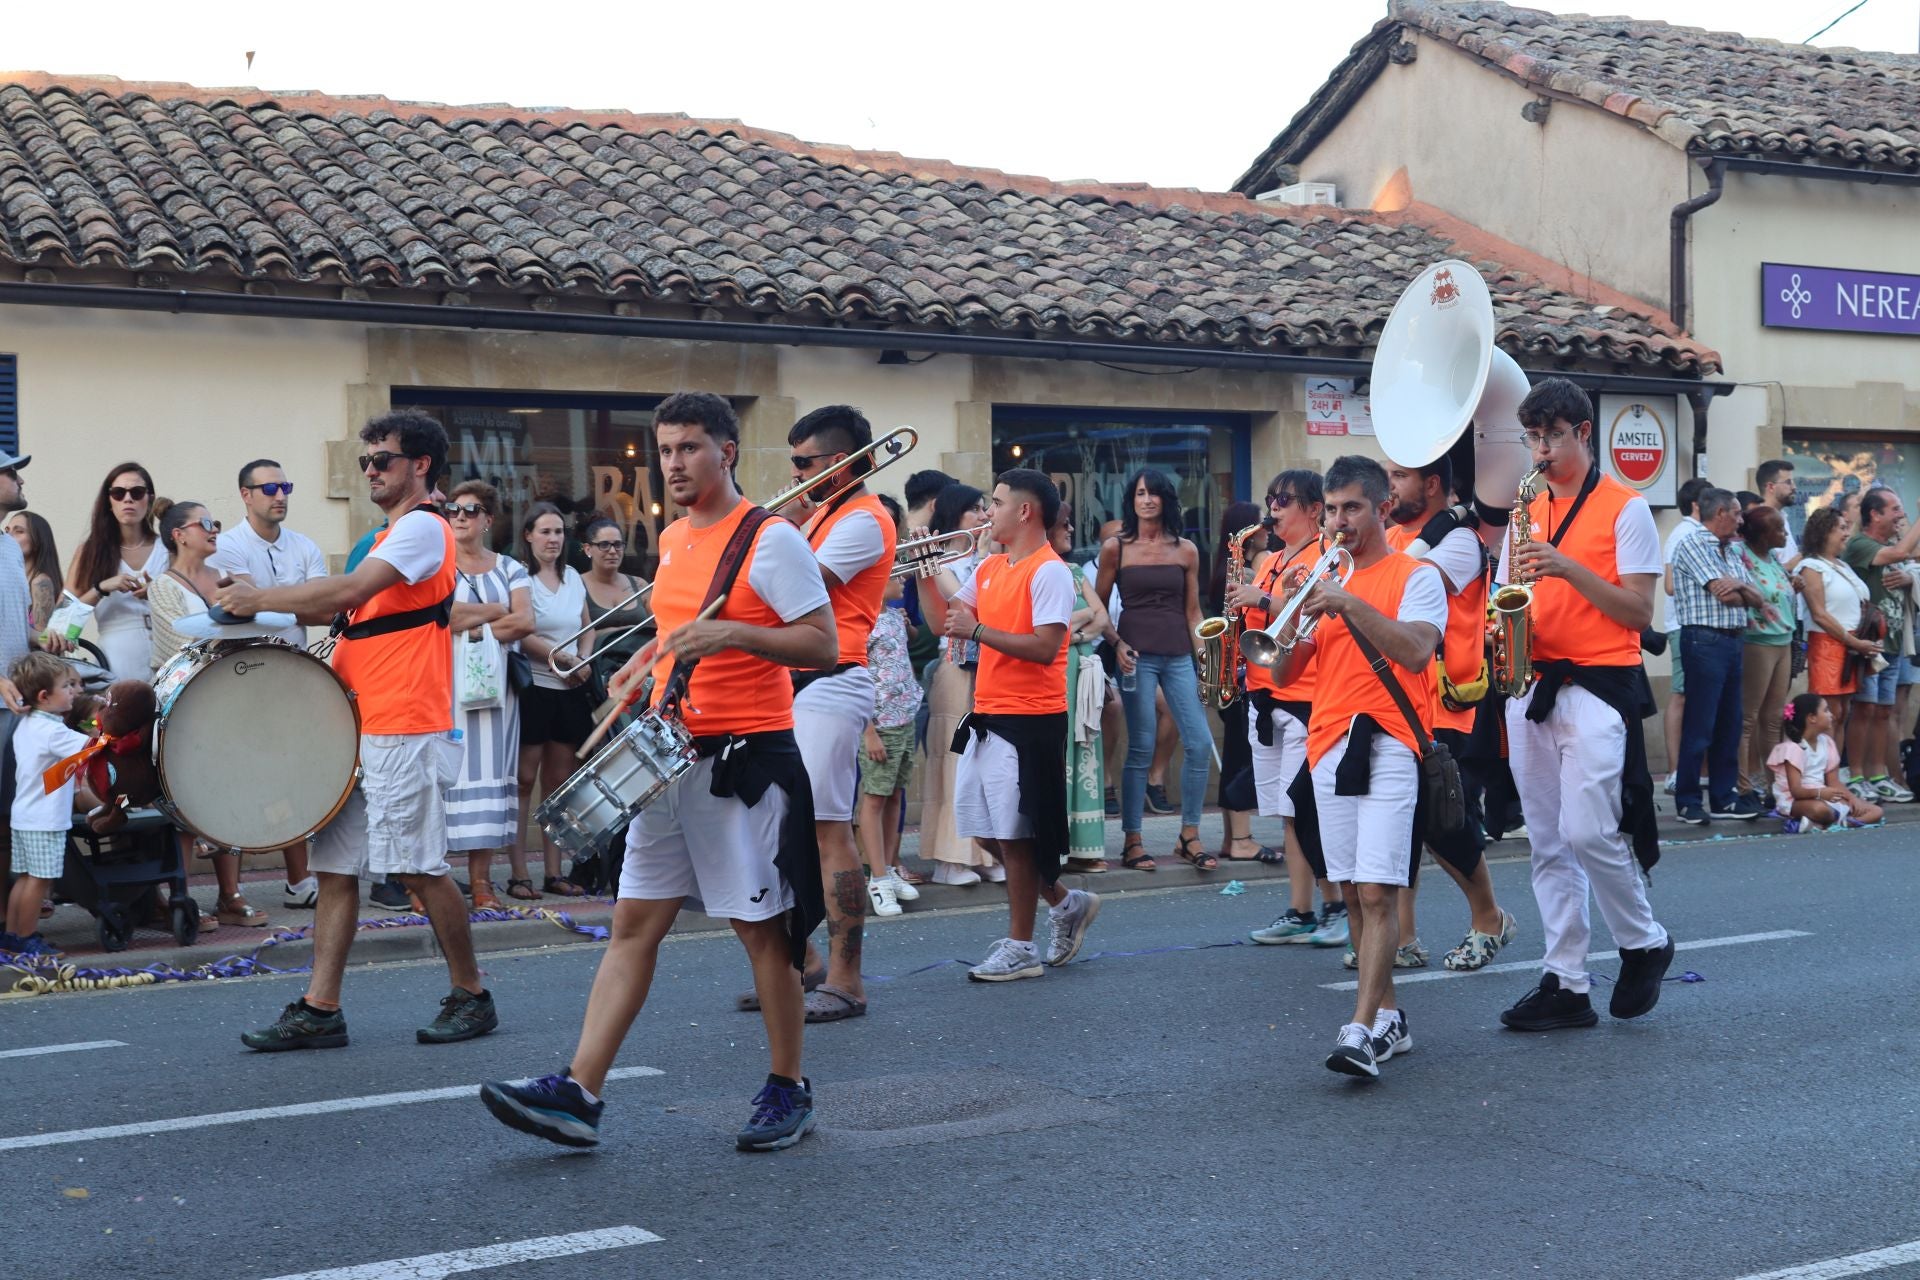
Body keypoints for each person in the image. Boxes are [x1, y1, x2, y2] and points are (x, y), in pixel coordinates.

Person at [480, 390, 833, 1152]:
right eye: (666, 449)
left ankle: (788, 1085)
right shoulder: (673, 538)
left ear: (726, 452)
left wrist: (732, 632)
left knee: (762, 933)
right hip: (669, 757)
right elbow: (680, 633)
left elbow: (822, 644)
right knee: (632, 923)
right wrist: (646, 660)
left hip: (745, 759)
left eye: (689, 448)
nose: (673, 463)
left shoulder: (770, 540)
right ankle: (579, 1091)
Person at [222, 409, 497, 1051]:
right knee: (336, 869)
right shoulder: (384, 534)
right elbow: (337, 603)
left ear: (421, 466)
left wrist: (258, 597)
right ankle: (321, 1009)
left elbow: (348, 589)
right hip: (358, 721)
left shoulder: (425, 529)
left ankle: (472, 994)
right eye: (366, 461)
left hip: (404, 720)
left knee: (419, 869)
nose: (370, 470)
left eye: (383, 460)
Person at [1494, 378, 1673, 1034]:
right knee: (1546, 842)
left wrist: (1566, 567)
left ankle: (1644, 941)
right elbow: (1507, 598)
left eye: (1553, 436)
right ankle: (1566, 981)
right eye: (1533, 437)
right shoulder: (1525, 508)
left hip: (1599, 686)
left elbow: (1638, 610)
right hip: (1532, 687)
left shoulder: (1626, 508)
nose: (1541, 450)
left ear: (1583, 434)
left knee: (1586, 831)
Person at [1260, 456, 1442, 1079]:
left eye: (1352, 508)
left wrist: (1345, 601)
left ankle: (1360, 1029)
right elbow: (1282, 674)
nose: (1339, 522)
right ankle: (1390, 1018)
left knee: (1377, 889)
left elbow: (1417, 651)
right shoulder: (1321, 578)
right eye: (1332, 510)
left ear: (1382, 509)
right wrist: (1291, 623)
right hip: (1328, 743)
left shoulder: (1414, 575)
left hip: (1390, 742)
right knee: (1356, 900)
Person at [923, 469, 1099, 982]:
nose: (987, 512)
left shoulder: (1049, 571)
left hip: (1030, 720)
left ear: (1024, 511)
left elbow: (1046, 647)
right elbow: (942, 623)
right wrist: (926, 573)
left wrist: (978, 630)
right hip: (990, 715)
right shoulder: (993, 566)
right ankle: (1065, 903)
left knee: (1017, 838)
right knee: (988, 834)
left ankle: (1021, 947)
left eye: (996, 503)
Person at [781, 405, 897, 1025]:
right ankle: (801, 965)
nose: (796, 476)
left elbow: (794, 587)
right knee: (774, 827)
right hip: (791, 679)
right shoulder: (823, 512)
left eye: (805, 464)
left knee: (831, 829)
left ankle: (848, 979)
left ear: (841, 462)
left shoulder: (864, 519)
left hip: (832, 679)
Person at [1384, 460, 1517, 972]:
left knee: (1443, 818)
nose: (1389, 486)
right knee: (1407, 819)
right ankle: (1402, 935)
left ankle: (1489, 917)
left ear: (1433, 484)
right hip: (1396, 699)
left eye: (1398, 476)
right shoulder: (1394, 536)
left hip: (1445, 702)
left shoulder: (1459, 542)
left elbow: (1400, 591)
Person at [206, 458, 329, 909]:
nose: (281, 495)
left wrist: (267, 601)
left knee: (290, 777)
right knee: (235, 777)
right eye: (270, 488)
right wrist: (295, 604)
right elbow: (239, 610)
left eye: (286, 486)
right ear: (245, 495)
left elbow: (326, 611)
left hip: (294, 676)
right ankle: (229, 892)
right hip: (243, 677)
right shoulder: (227, 548)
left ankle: (299, 881)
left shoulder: (305, 546)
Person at [147, 499, 271, 929]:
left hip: (231, 698)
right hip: (186, 702)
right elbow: (176, 647)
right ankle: (181, 897)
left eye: (215, 523)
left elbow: (254, 630)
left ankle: (230, 896)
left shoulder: (227, 580)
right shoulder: (163, 585)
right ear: (179, 535)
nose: (214, 529)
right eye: (205, 524)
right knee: (185, 802)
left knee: (229, 798)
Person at [1235, 471, 1345, 948]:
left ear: (1315, 509)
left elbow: (1319, 609)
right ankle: (1300, 910)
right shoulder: (1271, 559)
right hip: (1266, 699)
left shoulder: (1327, 558)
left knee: (1309, 809)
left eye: (1284, 500)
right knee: (1287, 813)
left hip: (1307, 698)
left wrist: (1260, 597)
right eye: (1270, 498)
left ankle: (1336, 906)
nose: (1273, 508)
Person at [1094, 468, 1215, 872]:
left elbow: (1193, 610)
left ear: (1166, 499)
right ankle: (1132, 840)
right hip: (1136, 657)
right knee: (1142, 747)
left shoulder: (1186, 550)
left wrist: (1205, 661)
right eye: (1140, 493)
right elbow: (1097, 608)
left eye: (1154, 493)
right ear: (1132, 500)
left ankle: (1189, 835)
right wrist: (1116, 644)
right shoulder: (1117, 548)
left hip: (1180, 655)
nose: (1147, 500)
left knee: (1198, 743)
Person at [444, 481, 535, 910]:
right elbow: (441, 617)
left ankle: (482, 883)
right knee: (446, 778)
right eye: (454, 510)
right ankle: (433, 884)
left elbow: (525, 623)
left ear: (488, 520)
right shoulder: (437, 568)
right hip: (447, 690)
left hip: (498, 697)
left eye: (471, 510)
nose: (460, 516)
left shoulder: (510, 568)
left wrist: (472, 629)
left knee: (491, 779)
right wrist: (496, 612)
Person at [1669, 487, 1767, 825]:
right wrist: (1743, 591)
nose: (1742, 521)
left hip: (1731, 640)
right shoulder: (1694, 543)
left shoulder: (1733, 550)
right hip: (1704, 640)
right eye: (1737, 513)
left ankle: (1723, 799)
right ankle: (1687, 800)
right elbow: (1722, 594)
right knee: (1701, 723)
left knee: (1729, 722)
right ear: (1720, 513)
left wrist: (1741, 588)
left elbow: (1758, 597)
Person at [914, 482, 995, 884]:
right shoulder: (942, 561)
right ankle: (950, 859)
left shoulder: (990, 558)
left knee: (982, 760)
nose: (983, 517)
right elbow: (962, 603)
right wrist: (981, 558)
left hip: (990, 667)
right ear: (953, 515)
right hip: (955, 665)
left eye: (985, 509)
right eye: (974, 510)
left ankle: (981, 853)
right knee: (954, 758)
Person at [517, 502, 595, 897]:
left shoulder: (574, 578)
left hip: (568, 691)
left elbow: (587, 626)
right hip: (535, 687)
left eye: (559, 532)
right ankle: (518, 873)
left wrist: (582, 656)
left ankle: (553, 872)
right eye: (545, 532)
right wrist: (560, 657)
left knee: (557, 785)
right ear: (528, 535)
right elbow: (522, 633)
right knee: (524, 781)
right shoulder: (520, 578)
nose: (553, 539)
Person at [4, 654, 90, 955]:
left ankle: (12, 935)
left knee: (25, 878)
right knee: (39, 882)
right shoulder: (53, 731)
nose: (73, 691)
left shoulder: (27, 724)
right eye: (67, 686)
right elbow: (90, 748)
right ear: (44, 696)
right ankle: (27, 939)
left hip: (25, 816)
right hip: (45, 819)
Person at [1842, 489, 1920, 803]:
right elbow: (1902, 553)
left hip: (1894, 642)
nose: (1901, 515)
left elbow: (1909, 554)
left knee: (1883, 712)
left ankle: (1878, 774)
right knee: (1864, 710)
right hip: (1870, 645)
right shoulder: (1861, 544)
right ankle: (1856, 774)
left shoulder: (1888, 544)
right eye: (1896, 509)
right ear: (1875, 514)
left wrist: (1909, 576)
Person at [859, 550, 921, 915]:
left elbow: (907, 642)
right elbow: (853, 677)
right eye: (896, 575)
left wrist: (906, 623)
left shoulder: (893, 616)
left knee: (895, 795)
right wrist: (868, 731)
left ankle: (890, 866)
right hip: (879, 723)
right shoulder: (861, 621)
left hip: (905, 716)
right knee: (874, 798)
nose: (903, 580)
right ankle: (878, 878)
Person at [65, 462, 167, 681]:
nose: (127, 499)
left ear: (149, 498)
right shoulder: (91, 551)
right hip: (118, 657)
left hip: (168, 652)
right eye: (118, 493)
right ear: (109, 501)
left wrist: (160, 591)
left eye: (137, 492)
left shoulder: (168, 547)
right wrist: (101, 588)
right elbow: (63, 621)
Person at [1797, 506, 1878, 772]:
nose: (1847, 533)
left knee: (1841, 714)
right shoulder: (1811, 566)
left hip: (1851, 646)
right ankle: (1820, 776)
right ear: (1824, 532)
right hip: (1828, 646)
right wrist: (1854, 643)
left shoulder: (1841, 565)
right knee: (1827, 716)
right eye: (1841, 528)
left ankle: (1833, 775)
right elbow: (1819, 614)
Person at [1207, 500, 1265, 864]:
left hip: (1231, 672)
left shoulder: (1224, 569)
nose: (1267, 530)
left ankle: (1233, 838)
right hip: (1242, 672)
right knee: (1243, 757)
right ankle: (1242, 839)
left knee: (1234, 755)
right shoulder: (1250, 569)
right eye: (1260, 525)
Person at [1058, 499, 1113, 873]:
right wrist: (1079, 625)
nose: (1071, 529)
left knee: (1085, 753)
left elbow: (1102, 616)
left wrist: (1070, 629)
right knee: (1059, 754)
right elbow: (1043, 627)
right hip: (1055, 671)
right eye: (1065, 522)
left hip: (1080, 672)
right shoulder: (1034, 570)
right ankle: (1057, 846)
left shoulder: (1076, 570)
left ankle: (1085, 847)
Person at [1736, 505, 1797, 803]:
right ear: (1762, 535)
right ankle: (1744, 786)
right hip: (1757, 641)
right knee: (1748, 718)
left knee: (1773, 719)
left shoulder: (1772, 557)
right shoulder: (1740, 556)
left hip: (1783, 639)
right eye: (1779, 529)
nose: (1785, 534)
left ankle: (1776, 786)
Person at [1771, 692, 1881, 832]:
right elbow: (1796, 791)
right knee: (1821, 810)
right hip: (1796, 800)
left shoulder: (1827, 742)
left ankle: (1837, 824)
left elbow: (1834, 781)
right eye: (1826, 710)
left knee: (1876, 811)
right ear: (1812, 718)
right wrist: (1820, 793)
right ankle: (1824, 820)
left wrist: (1853, 799)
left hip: (1823, 796)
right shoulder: (1793, 748)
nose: (1832, 715)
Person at [580, 516, 651, 704]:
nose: (612, 551)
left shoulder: (639, 584)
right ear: (588, 549)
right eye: (604, 545)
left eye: (618, 545)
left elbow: (661, 628)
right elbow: (573, 631)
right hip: (597, 678)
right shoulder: (576, 585)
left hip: (640, 677)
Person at [4, 511, 61, 637]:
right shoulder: (8, 578)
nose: (8, 536)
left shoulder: (40, 582)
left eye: (19, 531)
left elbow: (43, 638)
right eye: (7, 531)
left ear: (37, 540)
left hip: (25, 656)